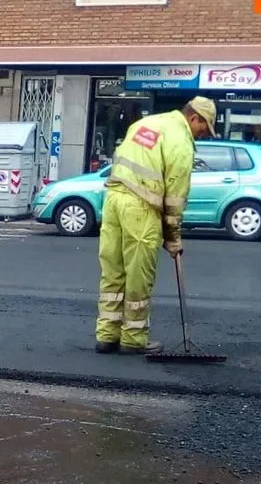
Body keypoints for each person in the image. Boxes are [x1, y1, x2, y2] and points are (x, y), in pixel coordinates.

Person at [95, 96, 217, 355]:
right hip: (141, 207)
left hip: (114, 199)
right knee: (139, 275)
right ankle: (133, 339)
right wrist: (173, 237)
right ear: (194, 117)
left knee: (113, 272)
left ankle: (107, 335)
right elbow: (175, 195)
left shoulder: (145, 123)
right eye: (204, 127)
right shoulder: (181, 141)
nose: (203, 133)